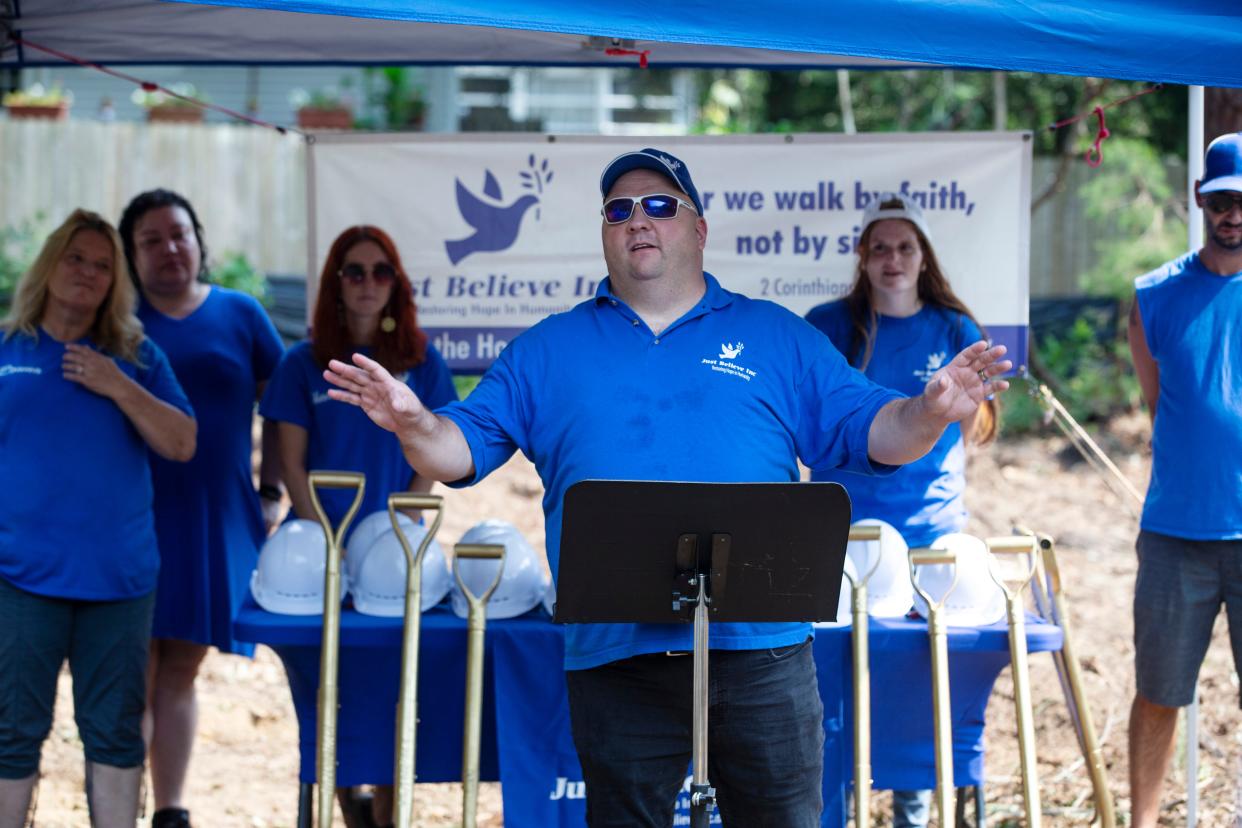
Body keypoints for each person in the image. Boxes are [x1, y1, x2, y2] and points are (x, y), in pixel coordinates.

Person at [324, 148, 1009, 827]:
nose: (638, 220)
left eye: (659, 205)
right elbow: (457, 450)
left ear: (699, 228)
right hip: (616, 657)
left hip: (761, 653)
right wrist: (413, 421)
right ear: (604, 232)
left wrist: (927, 412)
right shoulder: (549, 347)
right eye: (619, 210)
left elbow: (875, 432)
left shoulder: (774, 335)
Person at [805, 194, 999, 827]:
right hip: (842, 536)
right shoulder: (828, 325)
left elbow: (983, 422)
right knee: (839, 677)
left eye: (905, 247)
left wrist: (955, 400)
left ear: (924, 258)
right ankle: (839, 801)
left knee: (915, 686)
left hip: (928, 536)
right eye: (880, 247)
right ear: (862, 257)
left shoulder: (951, 328)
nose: (893, 259)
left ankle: (912, 810)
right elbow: (803, 413)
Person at [0, 210, 196, 827]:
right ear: (51, 264)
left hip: (118, 583)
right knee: (12, 732)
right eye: (76, 258)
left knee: (113, 733)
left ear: (117, 282)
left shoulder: (136, 354)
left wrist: (117, 385)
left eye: (103, 265)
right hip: (20, 579)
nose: (87, 273)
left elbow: (182, 442)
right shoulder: (9, 348)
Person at [259, 224, 457, 827]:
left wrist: (395, 537)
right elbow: (290, 464)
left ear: (395, 284)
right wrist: (332, 543)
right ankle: (353, 812)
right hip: (319, 557)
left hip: (396, 559)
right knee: (330, 697)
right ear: (335, 285)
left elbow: (435, 456)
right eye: (354, 271)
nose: (368, 284)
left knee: (401, 697)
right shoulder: (302, 364)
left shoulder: (423, 366)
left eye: (380, 272)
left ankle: (392, 814)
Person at [117, 189, 286, 828]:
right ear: (132, 256)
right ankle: (118, 806)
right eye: (151, 240)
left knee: (181, 666)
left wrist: (272, 492)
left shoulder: (241, 314)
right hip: (129, 517)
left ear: (199, 240)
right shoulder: (117, 321)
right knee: (130, 670)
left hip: (212, 515)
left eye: (179, 234)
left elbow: (285, 410)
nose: (170, 249)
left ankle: (171, 811)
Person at [1126, 131, 1242, 828]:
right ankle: (1142, 820)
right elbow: (1155, 400)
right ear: (1201, 200)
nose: (1233, 213)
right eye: (1222, 199)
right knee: (1159, 691)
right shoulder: (1155, 295)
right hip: (1176, 533)